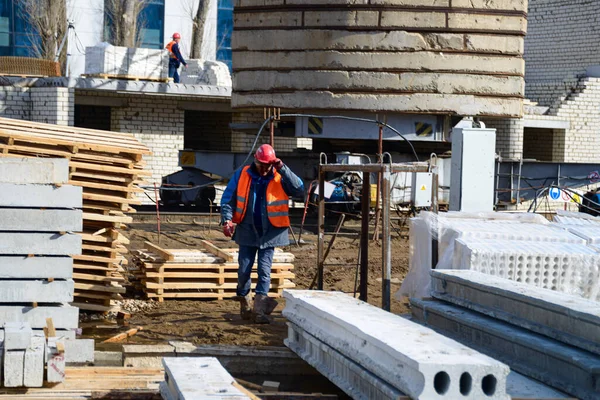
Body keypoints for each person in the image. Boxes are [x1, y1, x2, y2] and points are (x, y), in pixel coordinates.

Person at [221, 144, 304, 323]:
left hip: (270, 232)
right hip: (247, 230)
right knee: (244, 270)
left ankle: (259, 311)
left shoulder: (279, 175)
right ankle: (245, 301)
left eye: (269, 165)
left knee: (264, 271)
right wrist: (227, 220)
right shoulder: (242, 174)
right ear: (256, 162)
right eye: (262, 165)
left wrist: (282, 167)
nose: (265, 169)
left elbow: (299, 189)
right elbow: (228, 199)